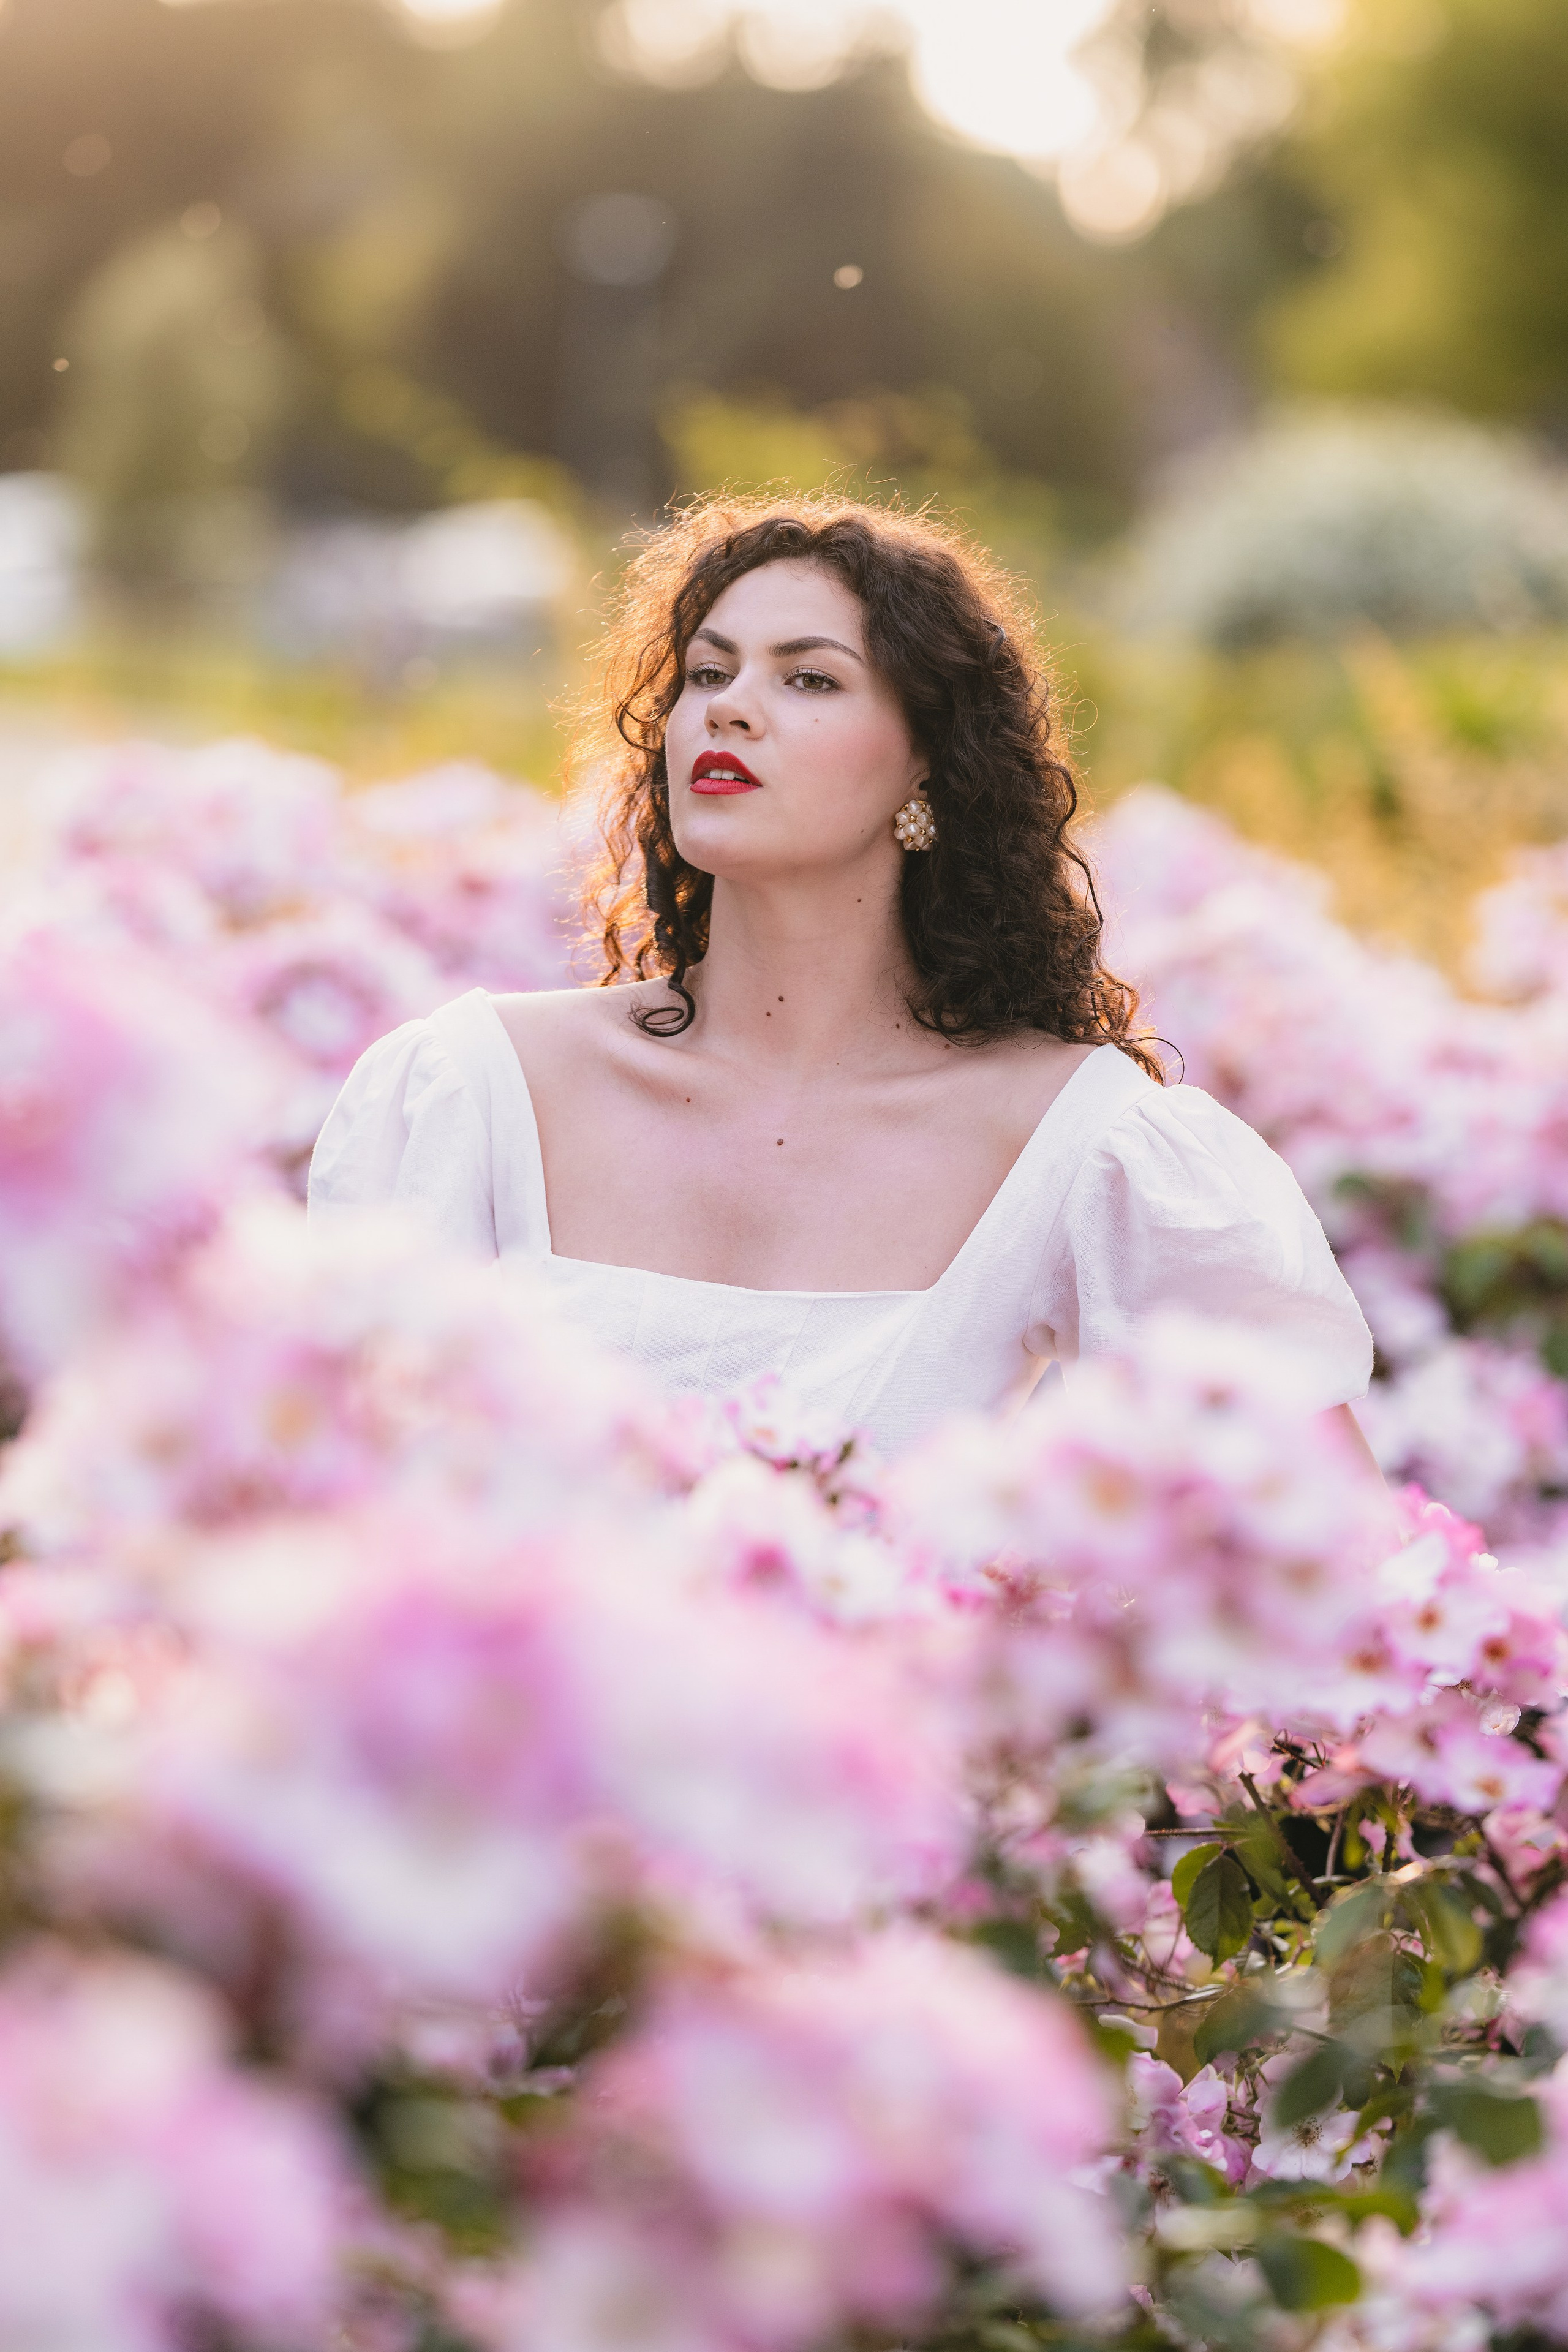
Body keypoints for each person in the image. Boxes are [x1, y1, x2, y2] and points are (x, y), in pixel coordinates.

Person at [309, 496, 1374, 1462]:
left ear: (928, 765)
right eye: (708, 673)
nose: (729, 709)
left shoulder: (1087, 1144)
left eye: (809, 678)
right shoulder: (472, 1090)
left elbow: (1326, 1546)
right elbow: (332, 1505)